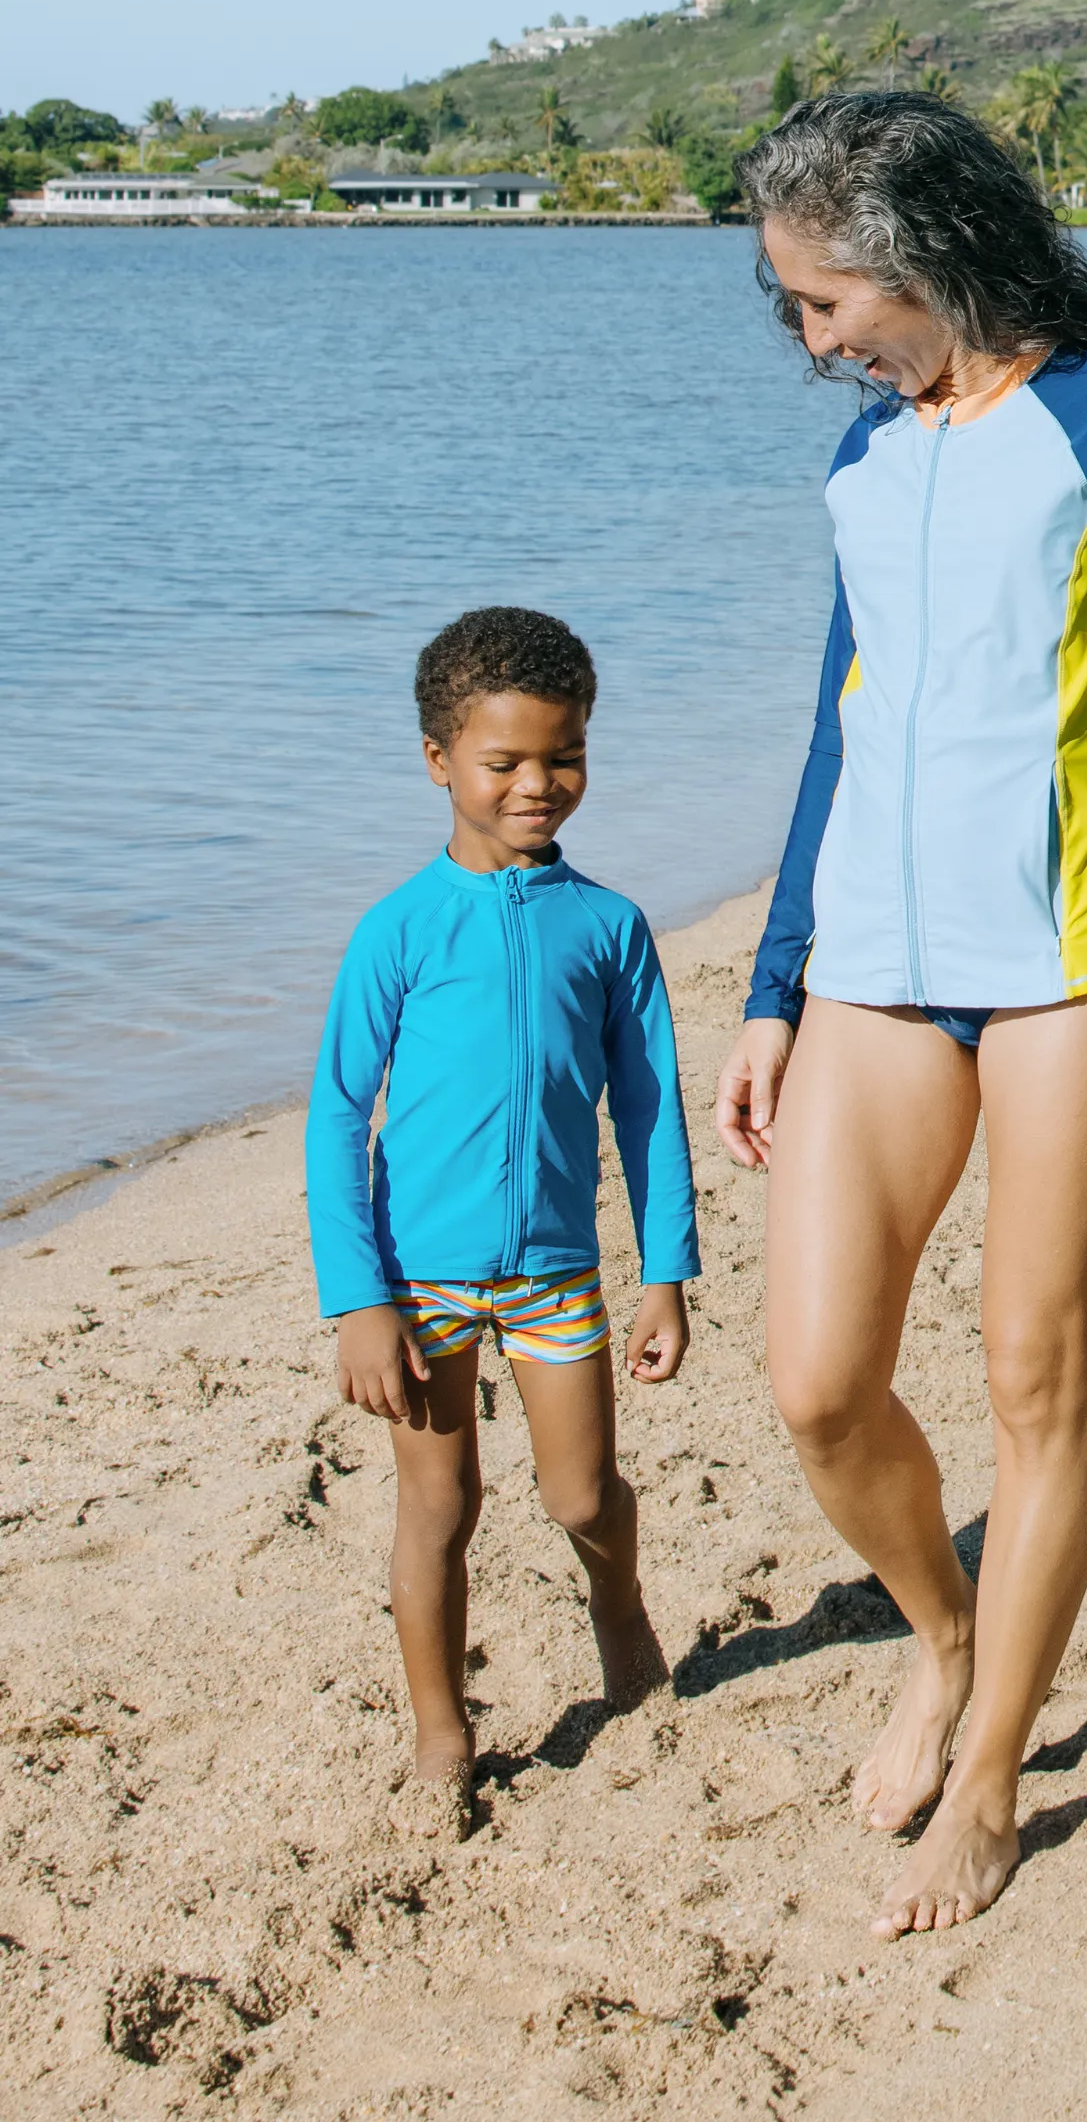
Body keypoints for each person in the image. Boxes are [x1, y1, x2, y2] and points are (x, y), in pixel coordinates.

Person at [717, 90, 1087, 1942]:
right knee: (822, 1383)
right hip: (866, 959)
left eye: (826, 299)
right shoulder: (864, 461)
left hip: (1069, 953)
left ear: (921, 261)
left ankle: (996, 1769)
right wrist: (773, 985)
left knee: (1033, 1375)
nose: (812, 337)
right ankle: (942, 1633)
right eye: (794, 305)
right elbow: (838, 728)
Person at [305, 605, 698, 1825]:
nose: (541, 783)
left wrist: (666, 1271)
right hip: (418, 1284)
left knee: (583, 1496)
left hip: (554, 1272)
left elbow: (648, 1112)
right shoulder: (400, 932)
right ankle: (441, 1727)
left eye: (564, 754)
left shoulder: (611, 927)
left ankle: (618, 1608)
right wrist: (357, 1299)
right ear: (440, 762)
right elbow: (335, 1119)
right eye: (507, 762)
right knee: (440, 1507)